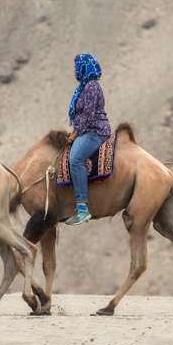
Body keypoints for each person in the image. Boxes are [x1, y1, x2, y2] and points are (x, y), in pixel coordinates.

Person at [65, 53, 112, 226]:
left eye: (78, 66)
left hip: (95, 130)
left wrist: (76, 133)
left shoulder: (92, 86)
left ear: (85, 67)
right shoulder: (83, 87)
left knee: (75, 159)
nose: (75, 70)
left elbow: (89, 114)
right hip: (86, 130)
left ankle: (82, 209)